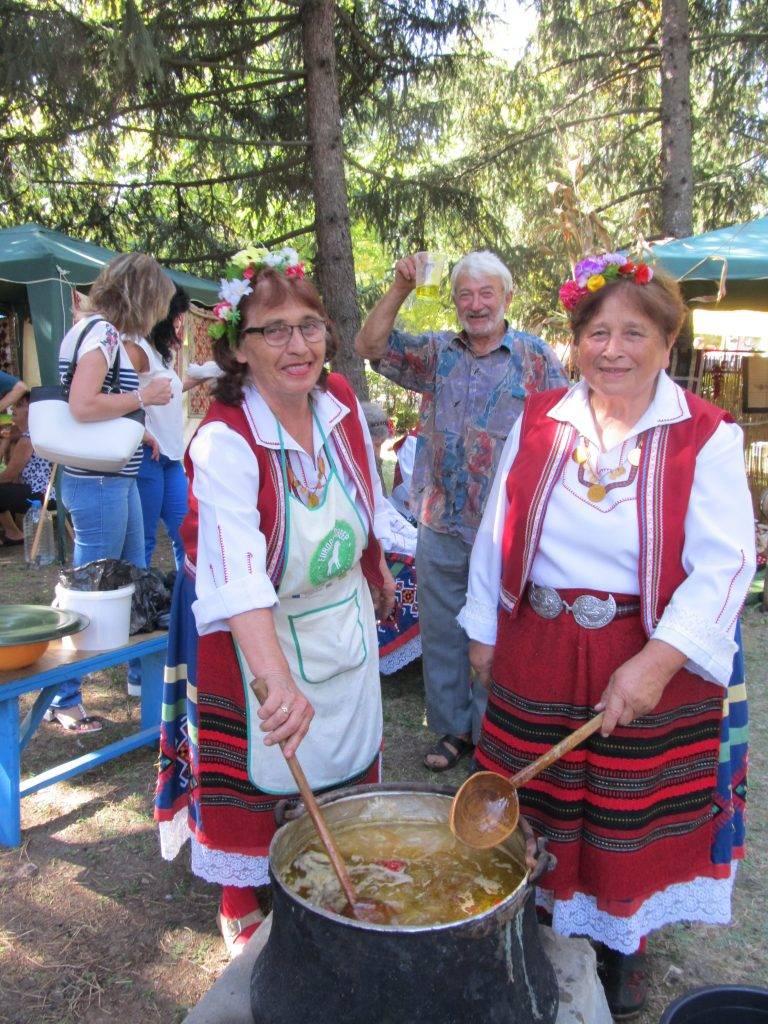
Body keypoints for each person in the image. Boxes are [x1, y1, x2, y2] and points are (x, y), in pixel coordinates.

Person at [459, 254, 755, 1017]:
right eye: (597, 333)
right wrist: (485, 632)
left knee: (625, 812)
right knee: (538, 797)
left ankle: (621, 957)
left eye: (633, 333)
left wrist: (656, 663)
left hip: (645, 648)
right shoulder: (540, 417)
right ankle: (535, 932)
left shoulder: (706, 435)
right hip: (539, 645)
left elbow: (727, 564)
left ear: (666, 342)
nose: (613, 349)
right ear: (574, 342)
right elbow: (499, 530)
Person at [154, 246, 395, 957]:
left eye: (310, 326)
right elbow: (235, 574)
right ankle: (242, 899)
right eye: (275, 330)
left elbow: (365, 499)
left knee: (347, 748)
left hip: (340, 612)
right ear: (240, 347)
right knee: (262, 770)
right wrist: (275, 679)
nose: (299, 346)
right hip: (257, 621)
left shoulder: (341, 401)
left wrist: (375, 569)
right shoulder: (225, 440)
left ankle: (335, 861)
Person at [355, 250, 568, 771]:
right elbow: (369, 346)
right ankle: (452, 731)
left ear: (507, 297)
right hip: (441, 521)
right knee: (444, 631)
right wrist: (401, 288)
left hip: (507, 528)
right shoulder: (436, 354)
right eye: (465, 295)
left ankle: (495, 734)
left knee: (503, 632)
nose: (476, 305)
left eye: (486, 293)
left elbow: (563, 436)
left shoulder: (537, 359)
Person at [46, 253, 174, 734]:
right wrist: (145, 398)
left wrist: (138, 432)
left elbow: (95, 407)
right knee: (88, 589)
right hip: (98, 480)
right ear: (141, 298)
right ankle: (65, 697)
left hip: (113, 476)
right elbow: (82, 405)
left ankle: (142, 685)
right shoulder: (101, 334)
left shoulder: (97, 333)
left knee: (131, 581)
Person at [135, 285, 213, 570]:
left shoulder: (159, 354)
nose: (180, 325)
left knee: (187, 536)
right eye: (177, 317)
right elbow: (122, 394)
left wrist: (205, 374)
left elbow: (168, 393)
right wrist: (141, 431)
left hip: (170, 456)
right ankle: (139, 604)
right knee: (143, 540)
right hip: (147, 455)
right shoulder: (137, 349)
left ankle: (187, 599)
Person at [0, 390, 54, 545]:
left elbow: (9, 475)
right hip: (36, 491)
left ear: (31, 411)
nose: (13, 410)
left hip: (39, 494)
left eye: (19, 405)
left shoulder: (28, 440)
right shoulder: (29, 435)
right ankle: (14, 532)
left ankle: (14, 534)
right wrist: (5, 439)